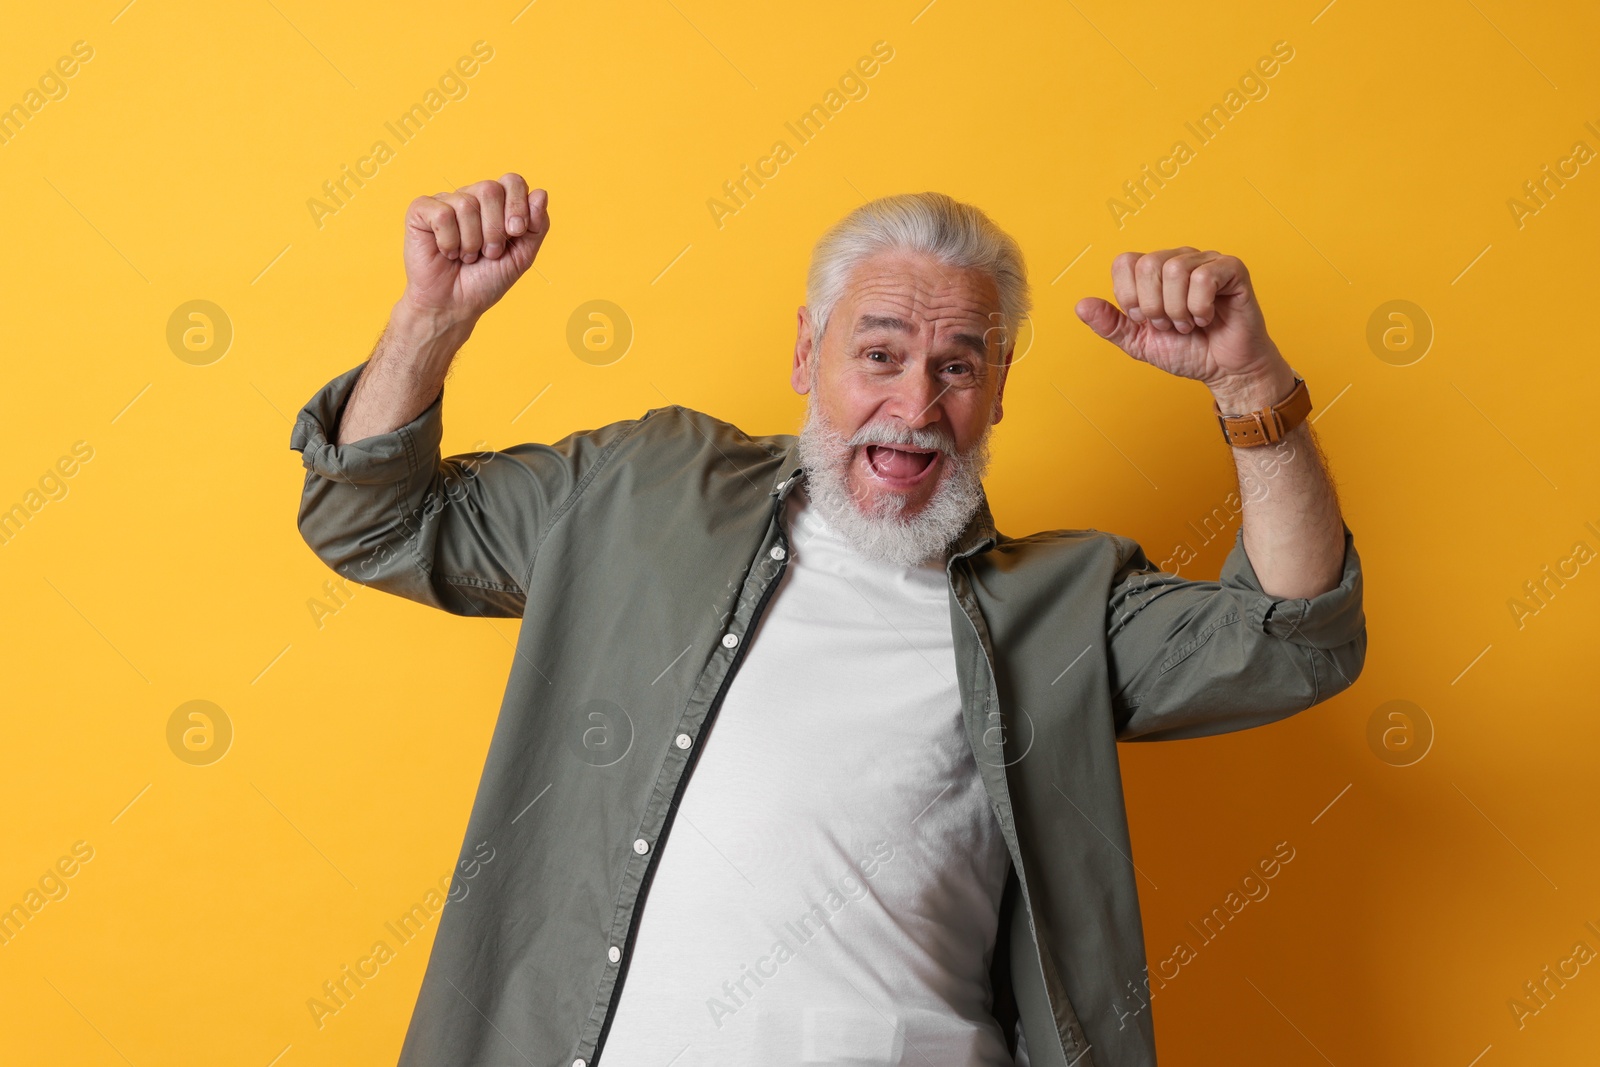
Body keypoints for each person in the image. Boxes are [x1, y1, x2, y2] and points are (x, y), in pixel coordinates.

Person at [289, 173, 1366, 1067]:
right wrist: (432, 316)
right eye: (881, 354)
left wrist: (1248, 382)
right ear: (808, 353)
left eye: (958, 366)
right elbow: (370, 518)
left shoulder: (1057, 604)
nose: (915, 406)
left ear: (998, 389)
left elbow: (1291, 643)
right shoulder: (638, 490)